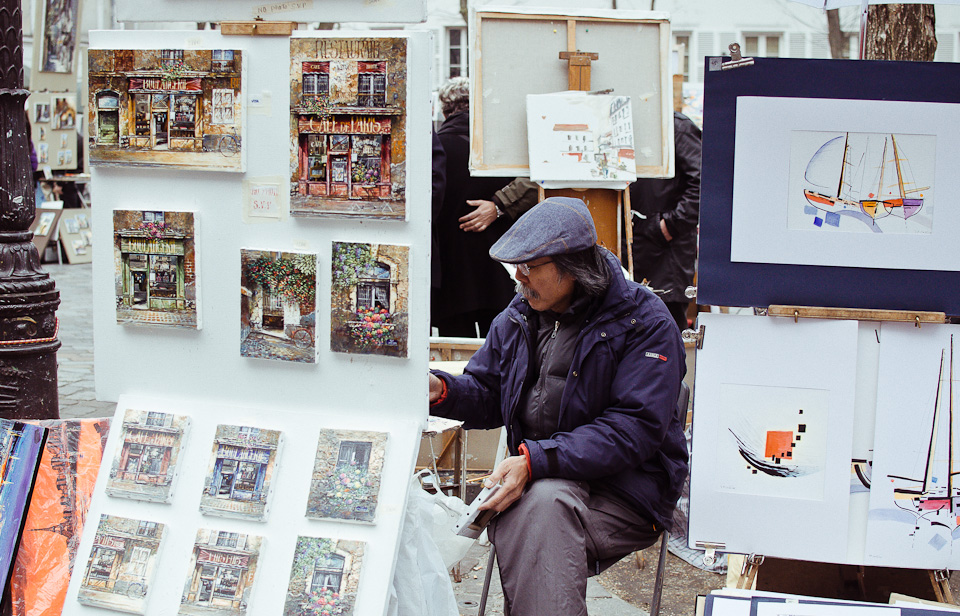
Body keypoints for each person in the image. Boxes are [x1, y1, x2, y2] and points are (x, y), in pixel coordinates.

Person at [428, 197, 688, 616]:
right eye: (517, 266)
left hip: (625, 491)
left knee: (536, 513)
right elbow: (491, 392)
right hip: (542, 479)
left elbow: (634, 428)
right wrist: (441, 390)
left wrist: (534, 462)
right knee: (534, 508)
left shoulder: (646, 321)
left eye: (530, 267)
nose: (518, 278)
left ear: (572, 265)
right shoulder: (521, 312)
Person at [431, 77, 518, 338]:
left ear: (445, 109)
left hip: (452, 278)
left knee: (457, 359)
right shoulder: (501, 148)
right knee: (504, 352)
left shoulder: (437, 148)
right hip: (500, 274)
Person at [627, 111, 702, 332]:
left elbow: (703, 180)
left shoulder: (675, 126)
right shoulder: (621, 120)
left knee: (662, 340)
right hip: (633, 249)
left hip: (664, 257)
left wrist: (669, 225)